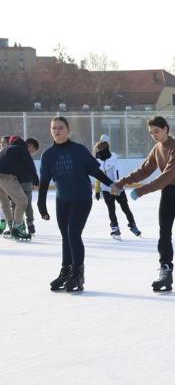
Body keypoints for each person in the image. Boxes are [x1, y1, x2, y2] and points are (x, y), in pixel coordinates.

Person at [110, 116, 175, 293]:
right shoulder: (157, 148)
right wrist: (122, 182)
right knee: (164, 234)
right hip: (168, 193)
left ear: (166, 129)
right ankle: (165, 274)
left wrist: (141, 191)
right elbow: (144, 170)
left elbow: (166, 176)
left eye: (157, 131)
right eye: (151, 132)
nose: (154, 135)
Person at [38, 117, 115, 292]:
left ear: (68, 130)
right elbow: (44, 182)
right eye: (54, 128)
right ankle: (66, 271)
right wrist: (41, 205)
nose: (57, 131)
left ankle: (78, 275)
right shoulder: (48, 155)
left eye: (60, 128)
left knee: (73, 233)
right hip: (62, 200)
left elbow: (95, 171)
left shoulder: (78, 150)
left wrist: (111, 185)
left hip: (81, 198)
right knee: (65, 236)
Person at [93, 138, 141, 240]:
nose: (97, 154)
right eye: (97, 152)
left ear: (105, 151)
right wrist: (97, 190)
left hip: (118, 188)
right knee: (111, 209)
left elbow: (118, 175)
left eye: (99, 152)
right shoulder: (98, 161)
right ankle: (115, 228)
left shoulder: (114, 161)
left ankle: (133, 225)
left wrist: (117, 188)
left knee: (125, 208)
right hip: (106, 190)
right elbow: (98, 176)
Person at [0, 135, 37, 241]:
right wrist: (36, 180)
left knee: (5, 202)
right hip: (5, 176)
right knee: (23, 201)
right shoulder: (21, 149)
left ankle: (11, 225)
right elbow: (30, 165)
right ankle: (16, 228)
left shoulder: (6, 149)